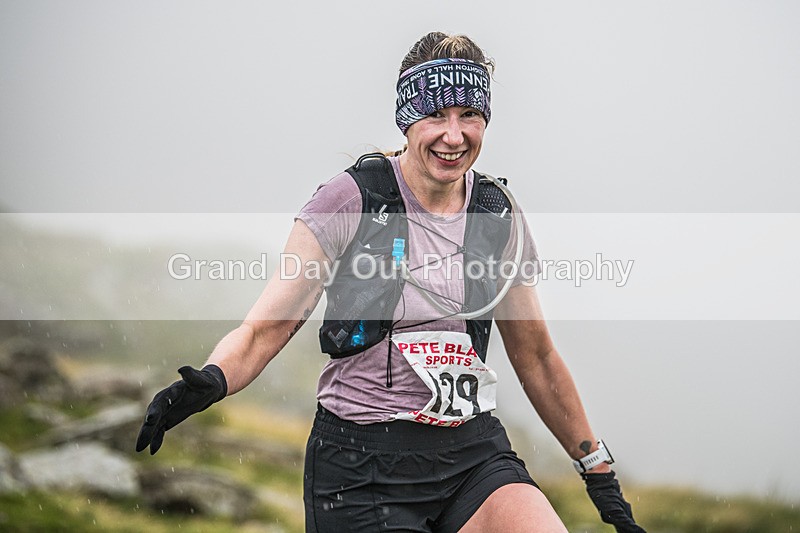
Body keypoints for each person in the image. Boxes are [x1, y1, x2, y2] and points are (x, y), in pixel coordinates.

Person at [136, 31, 645, 533]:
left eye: (469, 115)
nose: (454, 135)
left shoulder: (497, 214)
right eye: (435, 116)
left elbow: (536, 356)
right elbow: (265, 329)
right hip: (361, 467)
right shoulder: (349, 200)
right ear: (406, 120)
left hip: (470, 451)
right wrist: (210, 380)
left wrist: (597, 472)